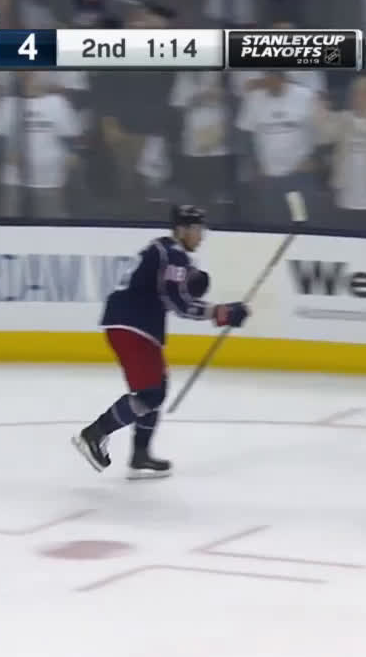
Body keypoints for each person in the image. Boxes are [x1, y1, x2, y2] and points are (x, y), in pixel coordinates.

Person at [71, 205, 251, 478]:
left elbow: (172, 291)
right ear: (182, 229)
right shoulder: (174, 254)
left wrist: (198, 290)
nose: (201, 236)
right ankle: (94, 434)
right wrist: (221, 312)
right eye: (197, 230)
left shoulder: (162, 249)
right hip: (134, 326)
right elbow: (179, 304)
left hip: (133, 324)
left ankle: (140, 455)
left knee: (156, 388)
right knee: (151, 393)